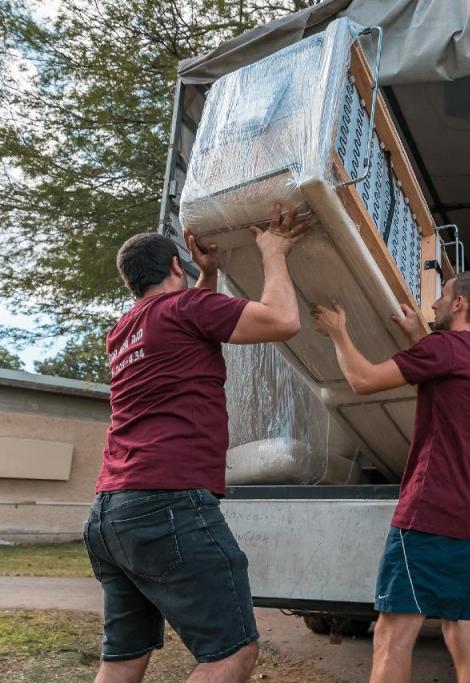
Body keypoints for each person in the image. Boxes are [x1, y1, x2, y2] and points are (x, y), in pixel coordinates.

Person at [84, 205, 308, 683]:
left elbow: (190, 328)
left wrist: (207, 274)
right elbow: (282, 320)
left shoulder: (123, 332)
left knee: (123, 657)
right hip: (166, 501)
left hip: (110, 513)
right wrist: (273, 251)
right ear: (172, 266)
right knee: (231, 652)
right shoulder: (184, 308)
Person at [311, 272, 470, 683]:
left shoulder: (445, 347)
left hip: (430, 515)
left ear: (459, 305)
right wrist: (418, 334)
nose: (432, 305)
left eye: (441, 296)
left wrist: (338, 333)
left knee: (392, 635)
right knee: (462, 631)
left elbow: (362, 381)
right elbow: (450, 373)